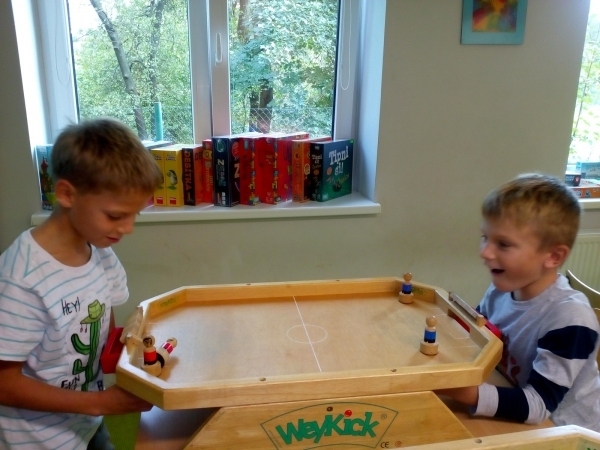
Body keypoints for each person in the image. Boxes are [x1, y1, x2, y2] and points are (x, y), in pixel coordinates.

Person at [0, 118, 162, 449]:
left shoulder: (99, 251)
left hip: (86, 423)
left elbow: (105, 324)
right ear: (67, 194)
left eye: (134, 215)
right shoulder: (21, 279)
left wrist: (137, 357)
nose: (127, 228)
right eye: (115, 216)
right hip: (38, 440)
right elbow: (4, 384)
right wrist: (101, 403)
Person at [438, 173, 600, 431]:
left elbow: (538, 406)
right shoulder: (501, 289)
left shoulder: (571, 319)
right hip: (515, 404)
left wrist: (458, 389)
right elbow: (476, 339)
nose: (485, 252)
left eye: (503, 244)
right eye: (485, 237)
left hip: (566, 432)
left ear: (553, 256)